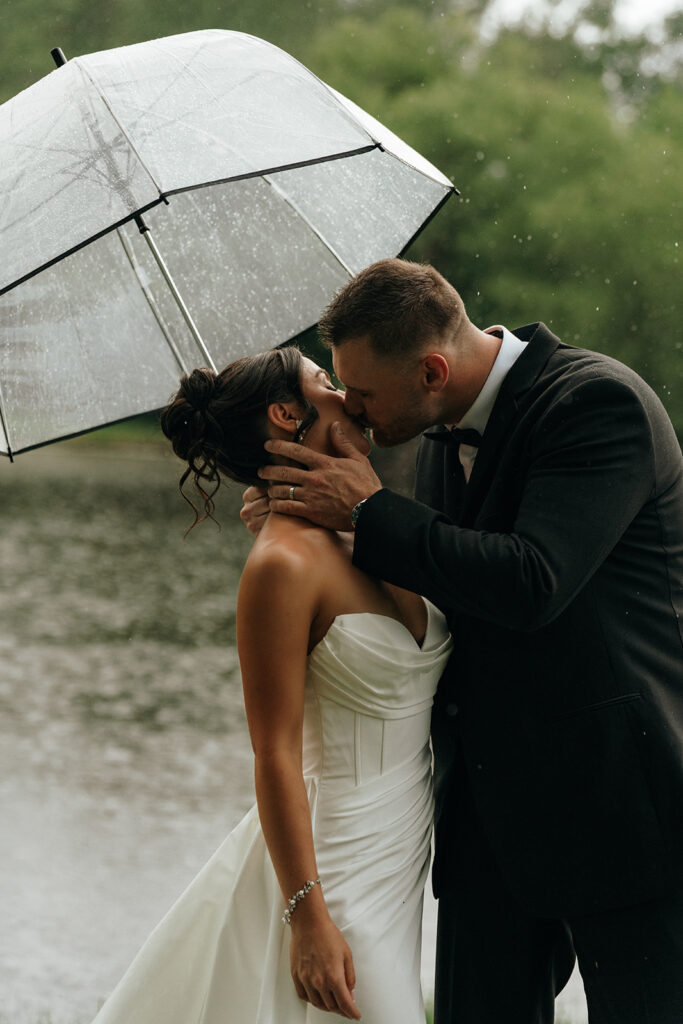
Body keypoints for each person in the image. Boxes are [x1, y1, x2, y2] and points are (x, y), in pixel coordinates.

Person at [245, 258, 683, 1024]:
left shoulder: (596, 402)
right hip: (490, 817)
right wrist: (316, 529)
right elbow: (448, 588)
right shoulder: (440, 430)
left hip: (620, 808)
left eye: (365, 393)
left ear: (433, 369)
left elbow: (530, 582)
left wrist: (371, 512)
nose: (352, 409)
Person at [89, 346, 452, 1024]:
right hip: (335, 858)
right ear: (287, 414)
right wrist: (308, 918)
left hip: (399, 849)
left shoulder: (368, 530)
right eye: (328, 383)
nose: (349, 396)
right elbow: (273, 751)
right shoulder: (281, 565)